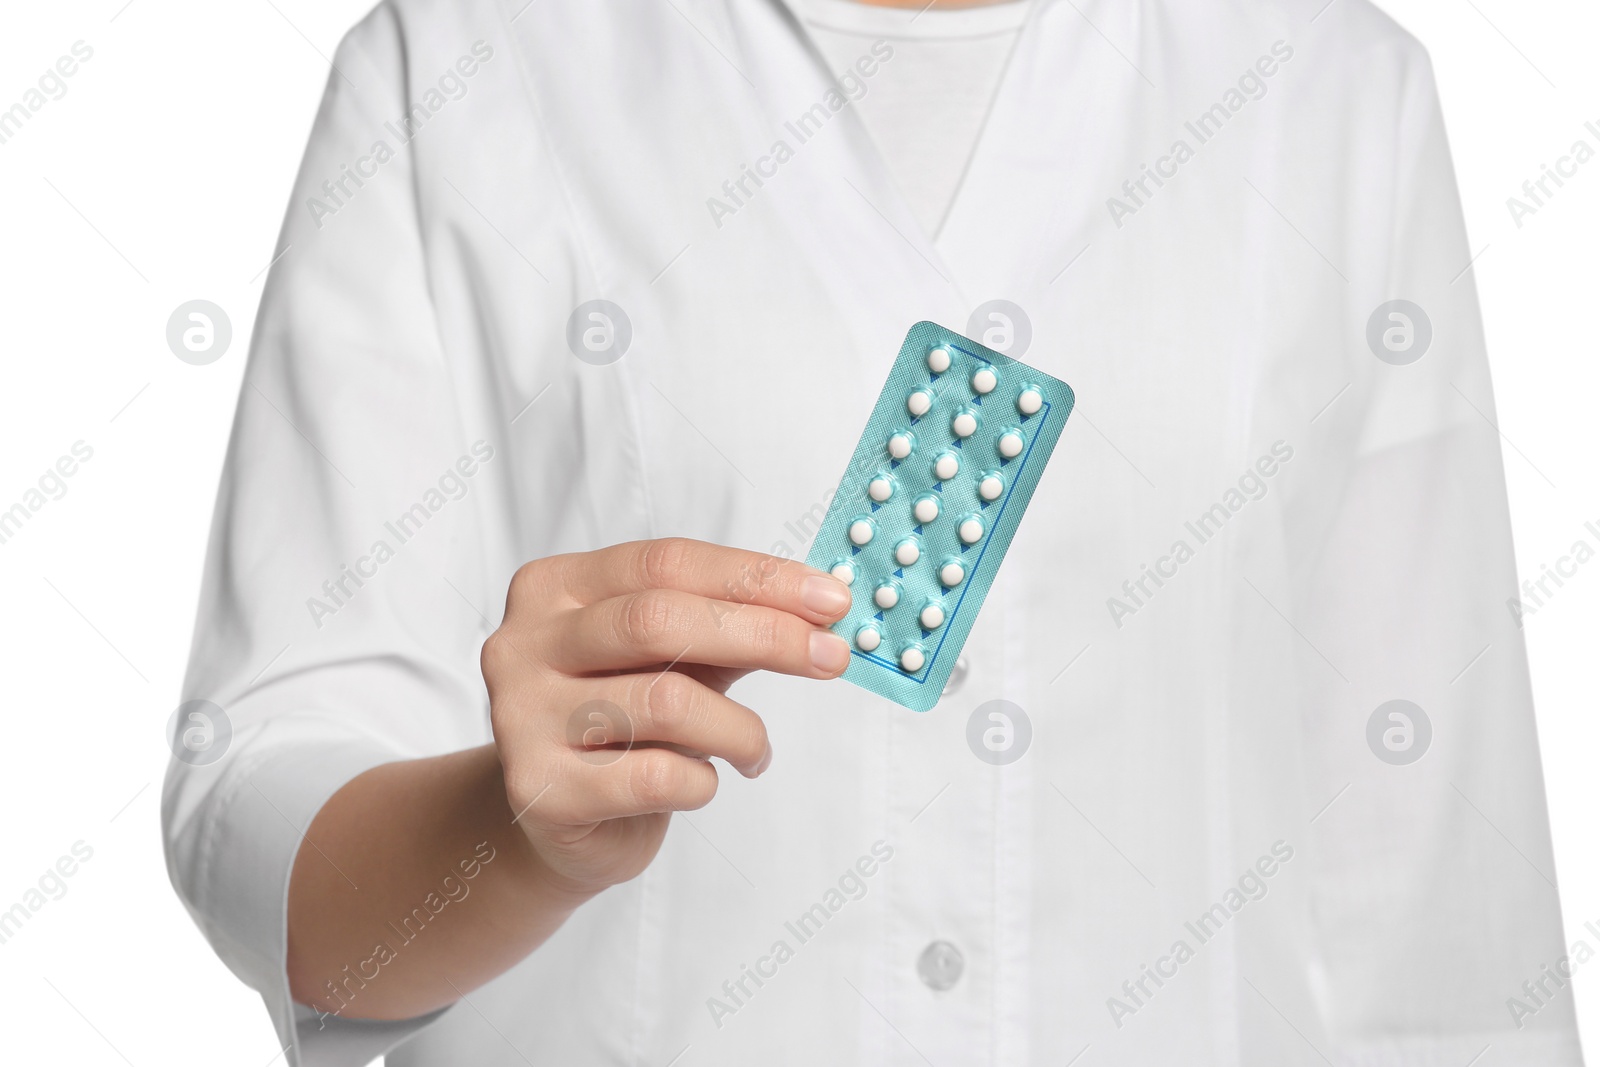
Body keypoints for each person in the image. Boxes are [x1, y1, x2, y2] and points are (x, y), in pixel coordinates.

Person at [163, 0, 1583, 1063]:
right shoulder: (473, 59)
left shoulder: (1332, 89)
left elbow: (1440, 921)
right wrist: (515, 839)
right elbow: (267, 839)